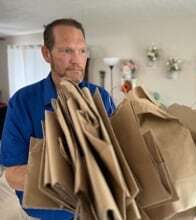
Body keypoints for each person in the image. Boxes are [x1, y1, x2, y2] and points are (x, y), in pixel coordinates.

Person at [0, 18, 115, 220]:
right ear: (47, 54)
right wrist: (72, 176)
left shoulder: (102, 97)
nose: (77, 59)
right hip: (44, 216)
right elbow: (12, 175)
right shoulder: (22, 102)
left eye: (82, 50)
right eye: (66, 51)